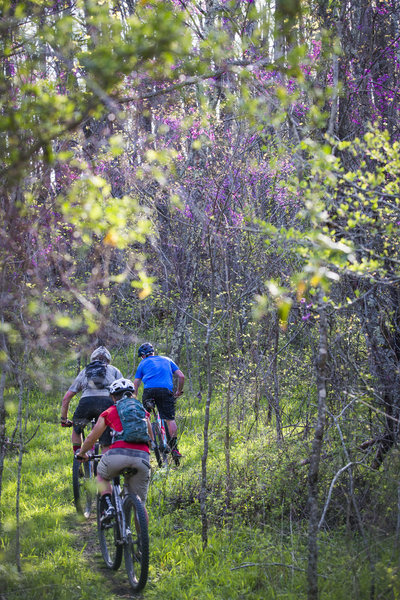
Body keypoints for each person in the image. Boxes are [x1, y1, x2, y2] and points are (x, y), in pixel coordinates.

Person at [75, 378, 152, 522]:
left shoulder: (109, 411)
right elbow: (150, 438)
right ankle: (142, 542)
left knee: (101, 475)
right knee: (140, 505)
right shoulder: (142, 412)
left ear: (112, 397)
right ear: (132, 394)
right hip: (142, 457)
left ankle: (109, 505)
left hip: (117, 455)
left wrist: (82, 453)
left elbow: (92, 438)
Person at [60, 346, 123, 454]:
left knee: (77, 429)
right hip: (106, 403)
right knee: (106, 440)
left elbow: (66, 398)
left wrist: (64, 419)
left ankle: (78, 456)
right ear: (108, 359)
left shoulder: (85, 371)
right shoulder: (114, 370)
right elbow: (123, 391)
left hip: (86, 402)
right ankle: (103, 465)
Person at [133, 342, 184, 459]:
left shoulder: (143, 363)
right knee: (170, 419)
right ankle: (175, 448)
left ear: (143, 355)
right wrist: (178, 391)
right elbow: (181, 376)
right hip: (165, 391)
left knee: (145, 416)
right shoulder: (167, 360)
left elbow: (136, 382)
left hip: (149, 391)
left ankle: (150, 442)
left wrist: (134, 398)